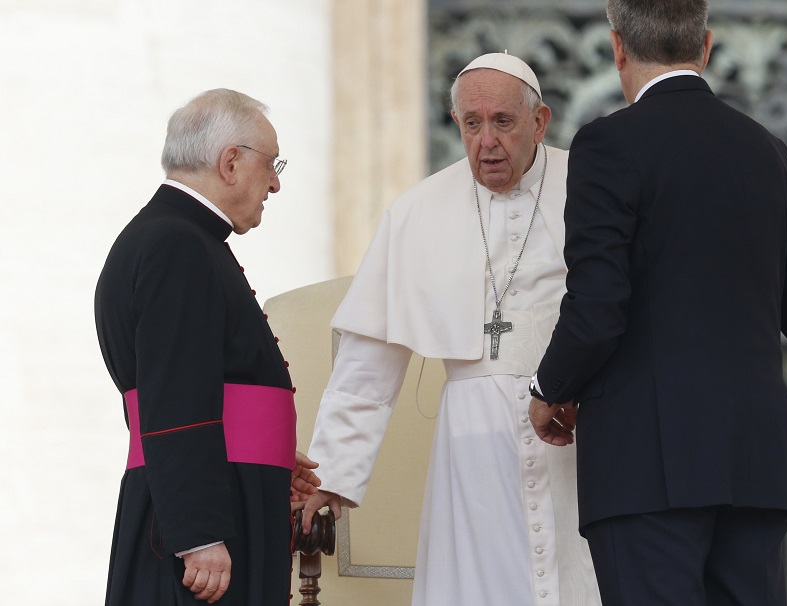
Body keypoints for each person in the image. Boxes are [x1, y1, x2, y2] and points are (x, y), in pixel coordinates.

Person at [528, 2, 787, 605]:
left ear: (618, 49)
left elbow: (598, 308)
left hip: (648, 466)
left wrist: (549, 387)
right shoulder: (766, 150)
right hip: (755, 461)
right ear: (707, 46)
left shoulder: (606, 145)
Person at [302, 53, 601, 606]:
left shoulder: (590, 189)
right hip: (473, 448)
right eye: (471, 123)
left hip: (578, 435)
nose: (486, 141)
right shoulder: (418, 211)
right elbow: (368, 359)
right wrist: (333, 473)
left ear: (539, 122)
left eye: (503, 122)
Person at [95, 88, 320, 606]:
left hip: (223, 490)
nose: (276, 183)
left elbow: (210, 382)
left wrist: (268, 458)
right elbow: (173, 396)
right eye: (272, 164)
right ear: (231, 162)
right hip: (201, 526)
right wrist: (198, 534)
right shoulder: (177, 244)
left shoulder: (177, 237)